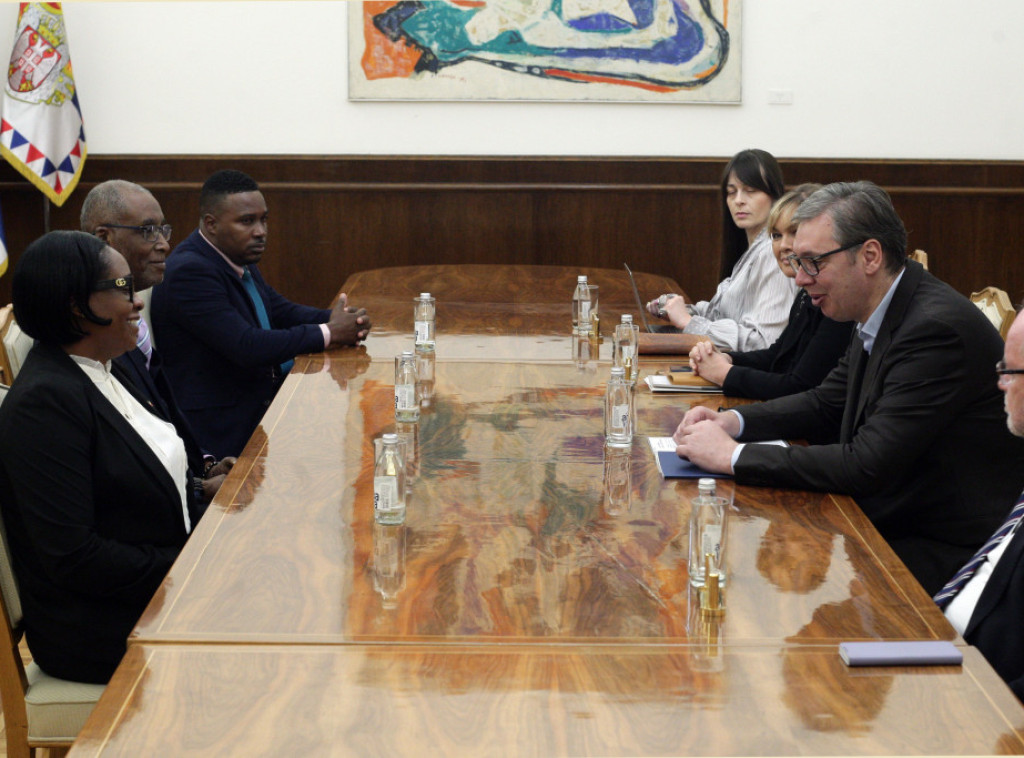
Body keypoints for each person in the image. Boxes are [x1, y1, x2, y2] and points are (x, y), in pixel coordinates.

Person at [673, 181, 1024, 595]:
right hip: (888, 522)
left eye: (813, 262)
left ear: (870, 256)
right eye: (798, 262)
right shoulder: (881, 305)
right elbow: (826, 401)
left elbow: (866, 463)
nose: (800, 279)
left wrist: (731, 456)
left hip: (939, 551)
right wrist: (731, 421)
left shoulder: (934, 329)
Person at [0, 231, 195, 683]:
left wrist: (204, 494)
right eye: (124, 288)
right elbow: (75, 557)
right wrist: (192, 564)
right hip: (102, 629)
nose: (138, 301)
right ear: (76, 306)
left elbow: (138, 478)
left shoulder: (108, 365)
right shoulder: (43, 405)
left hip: (159, 591)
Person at [150, 169, 371, 458]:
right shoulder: (190, 272)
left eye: (263, 219)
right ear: (211, 224)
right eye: (247, 221)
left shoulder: (233, 254)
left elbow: (278, 310)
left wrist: (340, 319)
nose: (260, 231)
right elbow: (247, 345)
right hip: (225, 430)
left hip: (261, 401)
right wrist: (329, 332)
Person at [80, 180, 235, 506]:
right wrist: (198, 488)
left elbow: (160, 415)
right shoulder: (94, 339)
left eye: (163, 230)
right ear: (104, 238)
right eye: (148, 231)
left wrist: (205, 466)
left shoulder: (132, 317)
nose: (164, 244)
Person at [688, 184, 854, 398]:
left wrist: (724, 374)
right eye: (776, 235)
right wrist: (727, 359)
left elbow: (800, 387)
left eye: (794, 232)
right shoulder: (806, 293)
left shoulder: (838, 300)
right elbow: (777, 355)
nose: (783, 245)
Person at [934, 307, 1024, 701]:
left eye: (1011, 372)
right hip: (941, 645)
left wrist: (977, 710)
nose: (1000, 384)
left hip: (980, 702)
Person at [645, 149, 797, 351]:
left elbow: (763, 341)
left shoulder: (773, 253)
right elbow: (724, 314)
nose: (739, 200)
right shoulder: (752, 250)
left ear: (775, 196)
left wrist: (689, 322)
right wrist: (681, 311)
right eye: (732, 192)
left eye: (750, 190)